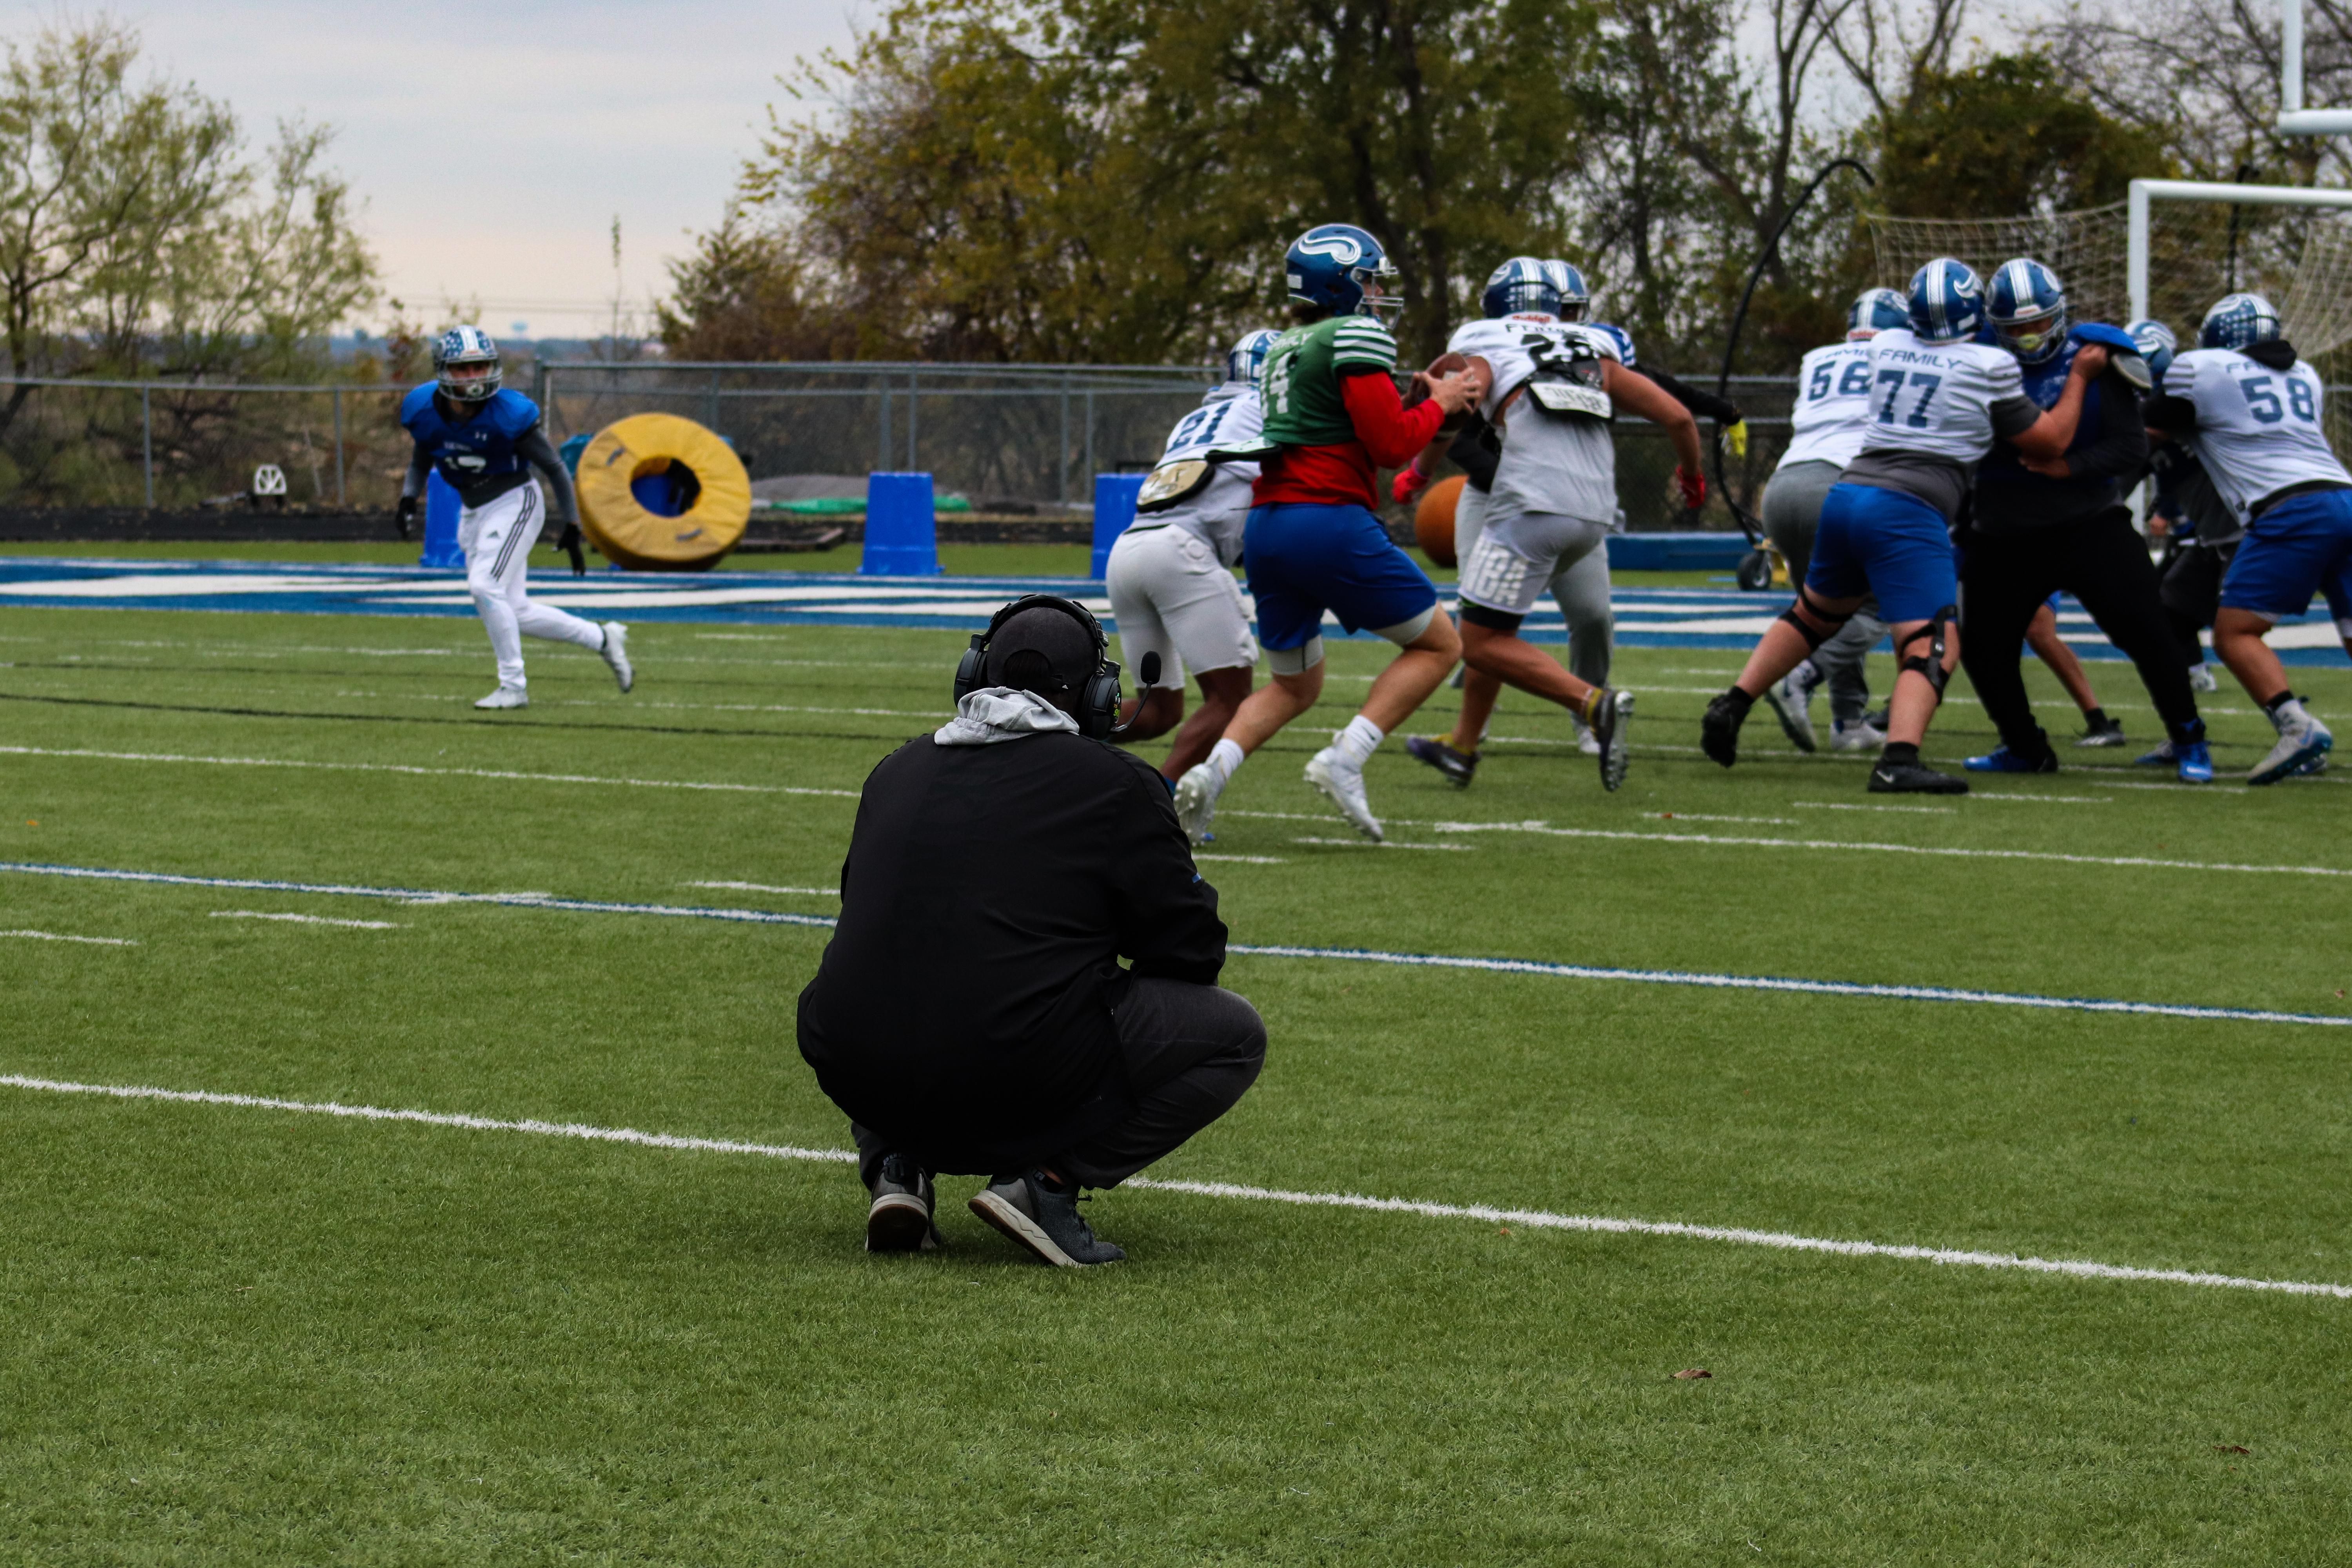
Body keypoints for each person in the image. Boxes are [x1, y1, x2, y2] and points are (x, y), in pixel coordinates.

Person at [797, 596, 1267, 1267]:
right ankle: (1043, 1183)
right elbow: (1190, 952)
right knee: (1234, 1036)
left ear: (973, 677)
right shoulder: (1118, 784)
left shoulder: (896, 769)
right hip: (1012, 1057)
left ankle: (898, 1166)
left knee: (886, 985)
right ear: (1102, 696)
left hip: (852, 1056)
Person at [1699, 258, 2109, 793]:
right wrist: (2079, 375)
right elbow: (2051, 440)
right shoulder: (1988, 364)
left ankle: (1732, 703)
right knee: (1933, 642)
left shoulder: (1884, 345)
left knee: (1813, 615)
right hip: (1908, 508)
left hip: (1849, 493)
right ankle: (1899, 758)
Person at [1170, 224, 1477, 844]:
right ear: (1340, 282)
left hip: (1269, 527)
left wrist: (1418, 405)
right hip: (1328, 518)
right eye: (1369, 278)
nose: (1378, 291)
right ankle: (1348, 756)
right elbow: (1390, 447)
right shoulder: (1354, 332)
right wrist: (1441, 403)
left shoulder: (1286, 344)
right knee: (1441, 647)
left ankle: (1209, 777)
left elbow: (1352, 422)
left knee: (1294, 685)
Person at [1401, 259, 1741, 771]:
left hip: (1531, 505)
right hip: (1594, 511)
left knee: (1478, 637)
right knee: (1495, 624)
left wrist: (1419, 469)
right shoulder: (1590, 346)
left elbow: (1458, 405)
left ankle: (1595, 705)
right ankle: (1464, 745)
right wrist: (1693, 479)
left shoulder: (1486, 337)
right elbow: (1678, 416)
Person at [1951, 258, 2208, 781]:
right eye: (2015, 328)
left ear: (2060, 315)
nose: (2028, 337)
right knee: (1983, 646)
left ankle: (2188, 736)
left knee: (2147, 632)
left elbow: (2130, 446)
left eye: (2038, 323)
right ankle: (2024, 746)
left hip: (2089, 523)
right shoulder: (1976, 362)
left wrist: (2072, 467)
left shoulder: (2095, 358)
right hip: (2004, 531)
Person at [2145, 292, 2349, 783]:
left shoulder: (2202, 368)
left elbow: (2153, 423)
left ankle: (2294, 725)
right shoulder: (2304, 374)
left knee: (2234, 633)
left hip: (2289, 508)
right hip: (2344, 494)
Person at [398, 326, 632, 710]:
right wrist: (409, 496)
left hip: (515, 501)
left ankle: (514, 686)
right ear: (444, 372)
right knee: (516, 610)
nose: (474, 376)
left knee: (484, 586)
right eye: (464, 369)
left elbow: (555, 467)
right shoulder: (422, 408)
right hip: (473, 510)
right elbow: (424, 453)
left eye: (480, 367)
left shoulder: (508, 414)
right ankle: (604, 639)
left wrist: (572, 525)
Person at [1105, 329, 1276, 781]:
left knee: (1156, 710)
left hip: (1129, 551)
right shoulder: (1268, 408)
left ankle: (1043, 740)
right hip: (1182, 552)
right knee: (1231, 700)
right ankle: (1163, 803)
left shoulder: (1196, 418)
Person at [1752, 288, 1904, 755]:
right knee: (1881, 602)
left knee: (1827, 605)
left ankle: (1849, 720)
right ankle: (1802, 672)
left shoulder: (1818, 357)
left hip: (1783, 487)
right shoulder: (1898, 357)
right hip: (1843, 486)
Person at [2129, 318, 2239, 719]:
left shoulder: (2194, 401)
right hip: (2217, 536)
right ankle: (2185, 728)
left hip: (2249, 530)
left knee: (2237, 634)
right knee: (2168, 613)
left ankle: (2292, 723)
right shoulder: (2138, 420)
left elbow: (2159, 430)